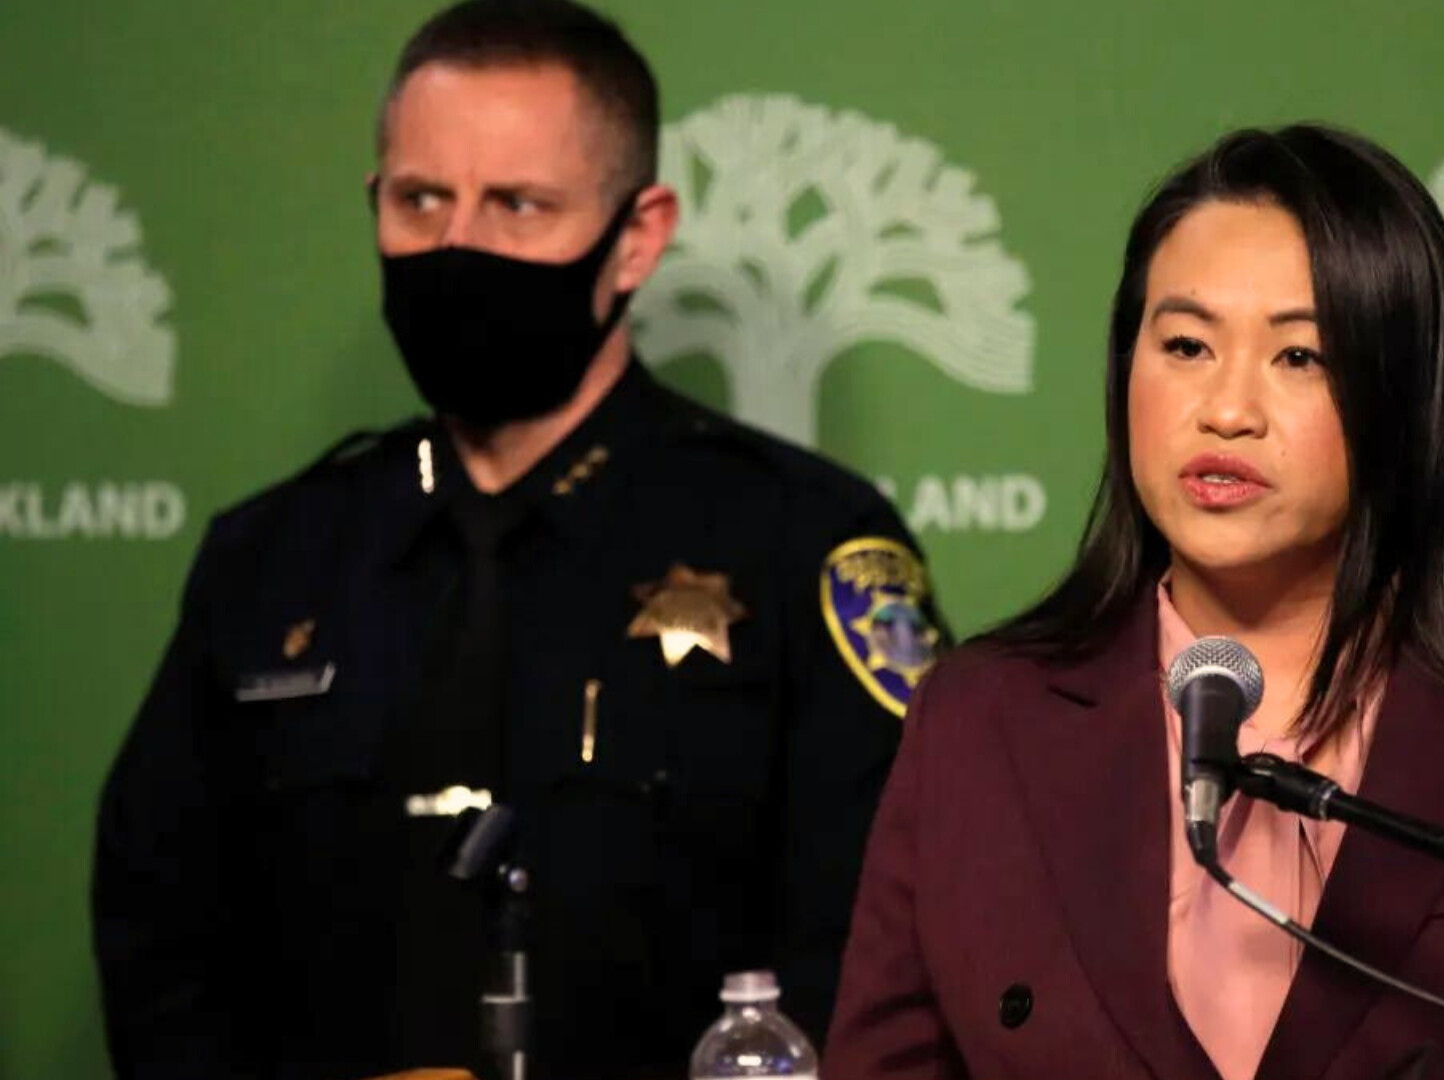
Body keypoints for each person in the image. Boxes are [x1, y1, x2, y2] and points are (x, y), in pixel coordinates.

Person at [823, 125, 1444, 1080]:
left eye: (1301, 357)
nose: (1227, 409)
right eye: (1186, 345)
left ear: (1406, 394)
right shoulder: (980, 717)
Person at [91, 2, 943, 1077]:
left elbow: (887, 950)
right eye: (421, 201)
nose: (458, 249)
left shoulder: (800, 543)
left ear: (637, 235)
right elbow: (162, 945)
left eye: (518, 206)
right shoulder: (271, 561)